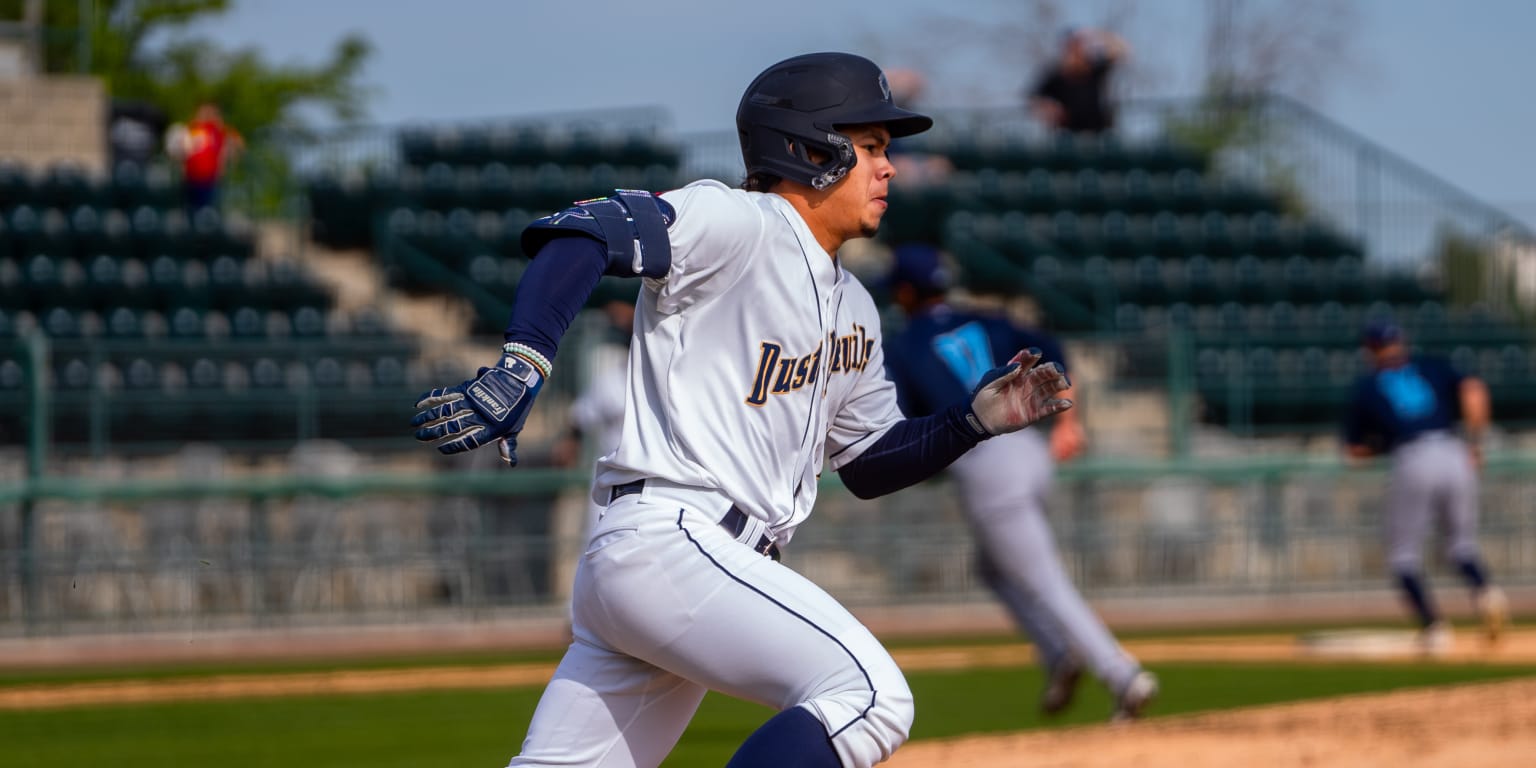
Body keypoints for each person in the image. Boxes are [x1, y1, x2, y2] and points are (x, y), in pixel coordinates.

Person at [411, 52, 1073, 768]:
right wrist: (525, 363)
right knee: (869, 696)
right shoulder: (738, 221)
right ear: (809, 148)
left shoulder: (854, 304)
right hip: (673, 539)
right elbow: (586, 230)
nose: (890, 168)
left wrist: (967, 423)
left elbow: (868, 463)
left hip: (686, 563)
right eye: (873, 148)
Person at [881, 243, 1157, 722]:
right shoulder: (987, 319)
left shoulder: (904, 345)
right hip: (1029, 450)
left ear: (905, 293)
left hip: (985, 464)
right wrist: (1070, 423)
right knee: (995, 569)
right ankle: (1058, 654)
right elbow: (1053, 350)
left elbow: (904, 420)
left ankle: (1123, 675)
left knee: (1044, 579)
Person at [1342, 321, 1509, 653]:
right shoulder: (1430, 365)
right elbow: (1474, 390)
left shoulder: (1368, 385)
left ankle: (1434, 628)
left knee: (1403, 556)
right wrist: (1476, 443)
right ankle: (1486, 592)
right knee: (1460, 545)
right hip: (1453, 450)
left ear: (1369, 349)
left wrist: (1377, 446)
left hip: (1412, 456)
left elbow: (1355, 451)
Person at [1028, 27, 1129, 135]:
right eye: (1072, 46)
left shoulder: (1094, 68)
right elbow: (1034, 99)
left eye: (1080, 45)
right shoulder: (1057, 74)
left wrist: (1096, 34)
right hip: (1068, 136)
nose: (1076, 50)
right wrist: (1050, 110)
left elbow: (1122, 50)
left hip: (1099, 132)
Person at [164, 101, 244, 215]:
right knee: (189, 210)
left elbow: (237, 144)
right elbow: (178, 149)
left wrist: (228, 157)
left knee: (207, 212)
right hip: (190, 177)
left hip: (211, 179)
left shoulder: (219, 130)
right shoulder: (190, 128)